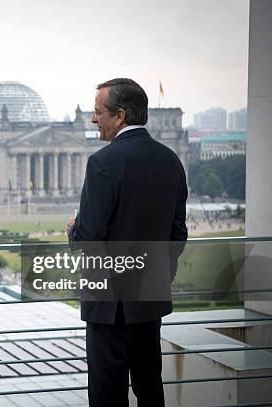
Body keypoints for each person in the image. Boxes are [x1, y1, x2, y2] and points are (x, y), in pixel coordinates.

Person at [67, 78, 188, 406]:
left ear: (119, 116)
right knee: (150, 387)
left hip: (109, 304)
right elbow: (178, 235)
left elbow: (88, 239)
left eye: (98, 112)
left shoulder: (103, 162)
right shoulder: (171, 160)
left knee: (108, 393)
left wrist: (73, 230)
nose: (94, 120)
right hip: (150, 297)